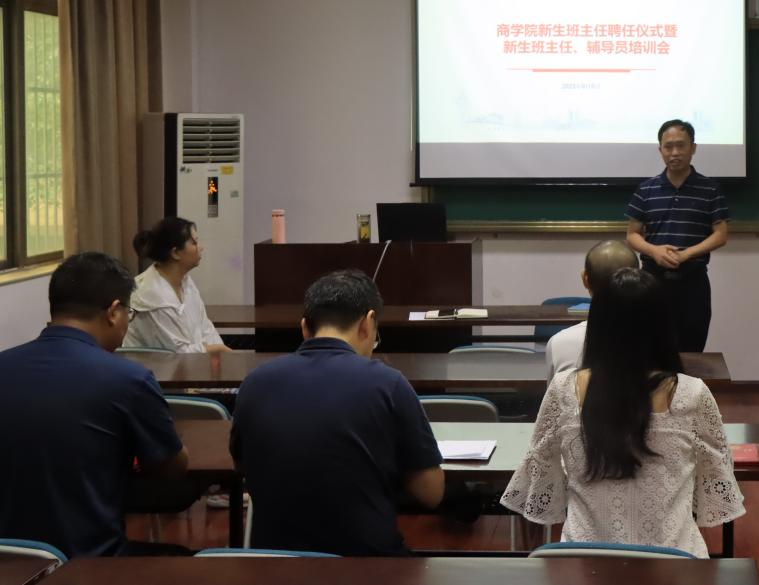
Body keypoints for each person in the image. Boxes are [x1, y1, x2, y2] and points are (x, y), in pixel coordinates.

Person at [502, 267, 744, 557]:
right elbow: (716, 485)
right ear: (664, 326)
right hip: (673, 562)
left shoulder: (564, 389)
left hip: (583, 562)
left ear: (597, 325)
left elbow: (541, 475)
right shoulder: (692, 393)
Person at [230, 269, 445, 556]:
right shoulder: (388, 384)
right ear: (368, 323)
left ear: (304, 327)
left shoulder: (255, 382)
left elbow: (242, 465)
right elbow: (431, 493)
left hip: (275, 565)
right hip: (366, 566)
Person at [0, 252, 190, 557]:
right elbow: (172, 468)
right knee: (185, 561)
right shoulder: (129, 380)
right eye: (129, 313)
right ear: (114, 312)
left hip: (11, 564)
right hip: (92, 563)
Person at [626, 119, 729, 353]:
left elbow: (721, 235)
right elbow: (632, 235)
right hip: (652, 281)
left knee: (691, 351)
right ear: (660, 150)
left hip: (693, 283)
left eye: (681, 145)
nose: (674, 153)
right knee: (650, 350)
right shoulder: (646, 189)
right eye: (668, 146)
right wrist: (654, 251)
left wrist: (686, 254)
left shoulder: (710, 189)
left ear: (693, 148)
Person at [124, 216, 230, 353]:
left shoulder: (185, 281)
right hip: (154, 366)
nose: (201, 247)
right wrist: (217, 349)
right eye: (194, 243)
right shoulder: (151, 294)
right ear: (175, 253)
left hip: (192, 363)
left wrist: (221, 355)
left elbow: (205, 327)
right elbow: (177, 354)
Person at [545, 240, 641, 380]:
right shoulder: (660, 341)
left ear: (585, 279)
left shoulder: (559, 343)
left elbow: (554, 393)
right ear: (639, 279)